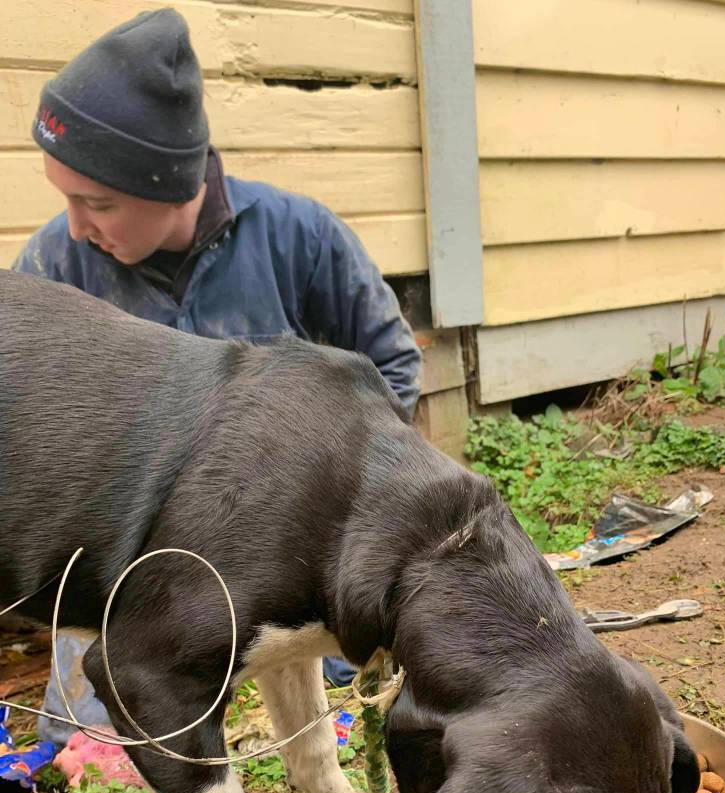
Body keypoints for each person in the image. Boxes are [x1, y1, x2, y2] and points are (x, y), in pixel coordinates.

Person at [14, 8, 421, 744]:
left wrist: (345, 552)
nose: (74, 225)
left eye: (97, 202)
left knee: (324, 702)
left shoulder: (302, 238)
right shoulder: (55, 266)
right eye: (64, 197)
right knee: (101, 736)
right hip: (125, 583)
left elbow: (390, 366)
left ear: (172, 184)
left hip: (288, 574)